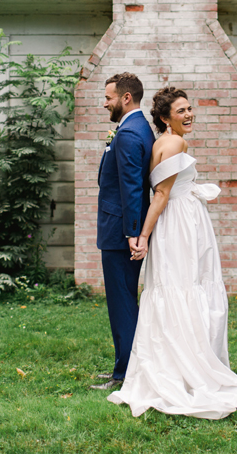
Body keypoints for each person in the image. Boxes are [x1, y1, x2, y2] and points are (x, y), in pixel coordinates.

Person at [107, 87, 237, 418]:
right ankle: (190, 366)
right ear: (165, 119)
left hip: (175, 222)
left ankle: (174, 361)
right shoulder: (176, 143)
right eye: (181, 111)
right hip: (178, 224)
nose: (189, 114)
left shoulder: (158, 144)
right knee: (184, 286)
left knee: (172, 288)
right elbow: (162, 195)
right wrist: (143, 236)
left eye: (190, 108)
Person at [90, 73, 156, 391]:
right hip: (120, 228)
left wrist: (133, 233)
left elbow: (132, 186)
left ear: (125, 98)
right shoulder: (134, 127)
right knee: (123, 300)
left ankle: (126, 374)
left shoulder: (129, 133)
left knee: (122, 302)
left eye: (109, 97)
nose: (105, 103)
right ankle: (123, 366)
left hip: (120, 231)